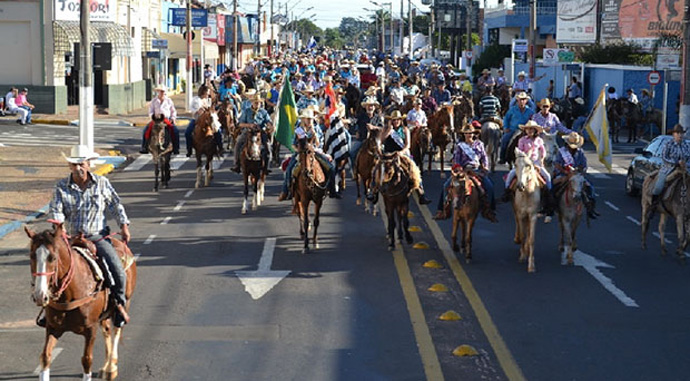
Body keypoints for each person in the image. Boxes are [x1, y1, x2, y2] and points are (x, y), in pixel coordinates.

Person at [47, 144, 131, 327]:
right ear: (70, 166)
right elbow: (56, 210)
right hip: (70, 239)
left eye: (82, 164)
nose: (78, 168)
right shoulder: (61, 186)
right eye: (74, 165)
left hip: (96, 237)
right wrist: (58, 225)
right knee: (49, 269)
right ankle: (48, 308)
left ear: (89, 164)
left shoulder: (101, 183)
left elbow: (115, 205)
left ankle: (118, 306)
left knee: (117, 270)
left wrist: (124, 225)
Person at [434, 123, 498, 222]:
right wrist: (459, 169)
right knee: (446, 185)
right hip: (463, 171)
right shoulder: (460, 146)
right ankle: (442, 210)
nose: (469, 135)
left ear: (473, 133)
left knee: (489, 186)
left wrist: (485, 167)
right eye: (467, 133)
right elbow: (456, 160)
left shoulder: (479, 144)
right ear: (463, 134)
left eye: (471, 133)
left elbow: (484, 157)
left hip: (476, 170)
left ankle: (490, 211)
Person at [369, 110, 432, 204]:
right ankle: (373, 191)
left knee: (414, 169)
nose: (396, 122)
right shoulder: (386, 129)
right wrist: (389, 131)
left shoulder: (405, 130)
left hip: (401, 153)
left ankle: (421, 193)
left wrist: (401, 152)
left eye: (397, 120)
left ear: (401, 120)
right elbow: (381, 141)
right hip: (388, 154)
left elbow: (407, 145)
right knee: (376, 169)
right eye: (394, 120)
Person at [278, 109, 341, 200]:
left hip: (315, 151)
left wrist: (314, 134)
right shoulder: (299, 129)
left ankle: (332, 191)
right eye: (307, 119)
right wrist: (298, 150)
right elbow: (293, 144)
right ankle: (287, 191)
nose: (309, 121)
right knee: (289, 170)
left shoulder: (317, 128)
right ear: (303, 119)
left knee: (330, 168)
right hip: (301, 152)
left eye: (310, 119)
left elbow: (319, 144)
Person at [502, 120, 554, 222]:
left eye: (531, 129)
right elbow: (520, 152)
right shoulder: (522, 140)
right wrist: (524, 159)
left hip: (535, 163)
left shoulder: (539, 140)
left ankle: (549, 197)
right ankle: (507, 192)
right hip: (524, 163)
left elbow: (542, 152)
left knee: (547, 176)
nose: (529, 131)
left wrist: (541, 162)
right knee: (511, 175)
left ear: (535, 131)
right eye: (527, 129)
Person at [553, 132, 599, 219]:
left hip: (577, 175)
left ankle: (590, 209)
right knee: (553, 187)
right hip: (564, 174)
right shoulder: (561, 151)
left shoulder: (580, 152)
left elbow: (584, 165)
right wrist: (565, 171)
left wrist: (580, 170)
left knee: (590, 188)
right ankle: (551, 207)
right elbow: (557, 164)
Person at [232, 92, 272, 173]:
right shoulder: (247, 111)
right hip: (248, 132)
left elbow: (268, 121)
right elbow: (240, 124)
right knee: (238, 144)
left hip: (260, 132)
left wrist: (269, 125)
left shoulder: (263, 112)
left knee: (268, 147)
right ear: (252, 102)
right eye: (256, 102)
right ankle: (237, 164)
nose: (257, 104)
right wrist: (249, 125)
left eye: (259, 102)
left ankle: (266, 167)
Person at [651, 124, 690, 204]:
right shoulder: (668, 144)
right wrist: (676, 162)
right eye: (677, 133)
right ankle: (654, 202)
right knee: (659, 186)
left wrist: (685, 163)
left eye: (681, 133)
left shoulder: (686, 145)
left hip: (684, 169)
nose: (680, 135)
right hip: (669, 168)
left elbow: (688, 156)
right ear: (673, 134)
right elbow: (664, 157)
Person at [184, 86, 223, 157]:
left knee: (218, 131)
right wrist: (199, 111)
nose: (208, 94)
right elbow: (195, 110)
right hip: (197, 119)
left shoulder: (208, 100)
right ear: (203, 92)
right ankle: (189, 149)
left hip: (209, 119)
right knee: (188, 133)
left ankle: (220, 148)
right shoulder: (196, 100)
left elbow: (210, 109)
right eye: (207, 93)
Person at [140, 85, 180, 155]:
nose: (162, 93)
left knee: (175, 131)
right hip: (156, 119)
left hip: (166, 119)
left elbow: (173, 111)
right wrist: (153, 116)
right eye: (160, 91)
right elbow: (151, 111)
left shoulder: (168, 101)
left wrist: (172, 118)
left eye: (163, 91)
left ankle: (176, 148)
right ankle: (144, 147)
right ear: (158, 92)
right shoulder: (154, 101)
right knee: (146, 130)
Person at [500, 92, 534, 164]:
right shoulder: (512, 110)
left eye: (523, 99)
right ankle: (502, 157)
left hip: (526, 130)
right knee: (504, 140)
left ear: (526, 101)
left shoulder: (530, 111)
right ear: (517, 100)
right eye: (520, 99)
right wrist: (506, 127)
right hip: (513, 129)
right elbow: (506, 119)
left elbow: (533, 120)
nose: (522, 101)